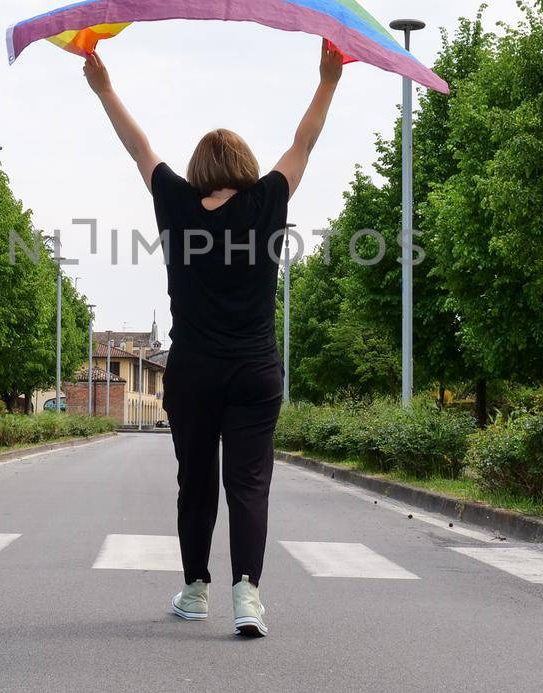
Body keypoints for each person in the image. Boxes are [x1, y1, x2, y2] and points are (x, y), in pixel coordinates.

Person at [83, 40, 344, 638]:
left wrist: (104, 89)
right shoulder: (268, 199)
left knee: (195, 480)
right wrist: (328, 81)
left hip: (193, 370)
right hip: (255, 369)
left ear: (198, 168)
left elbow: (139, 147)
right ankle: (248, 595)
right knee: (249, 482)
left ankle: (196, 589)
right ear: (246, 166)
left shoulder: (176, 203)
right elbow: (304, 143)